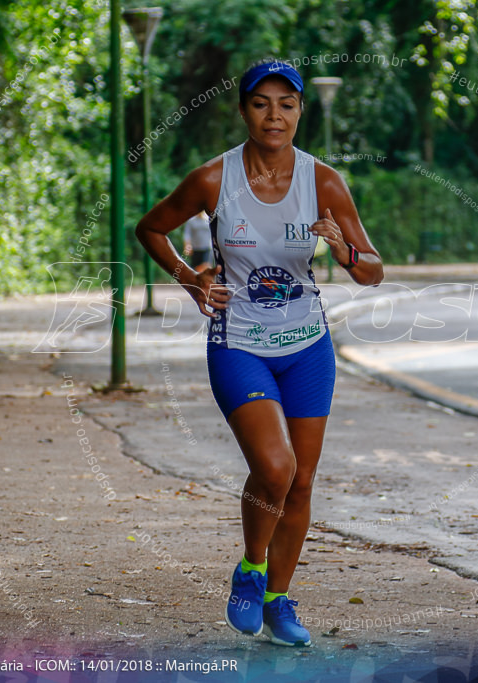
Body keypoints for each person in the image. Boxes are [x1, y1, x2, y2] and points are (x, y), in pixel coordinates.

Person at [135, 59, 383, 647]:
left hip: (308, 347)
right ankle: (251, 568)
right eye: (261, 103)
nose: (275, 115)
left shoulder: (322, 181)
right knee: (275, 468)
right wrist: (189, 278)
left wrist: (343, 248)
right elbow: (150, 228)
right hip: (238, 341)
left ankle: (278, 600)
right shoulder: (212, 180)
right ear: (243, 110)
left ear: (300, 112)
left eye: (287, 104)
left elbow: (373, 269)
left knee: (301, 484)